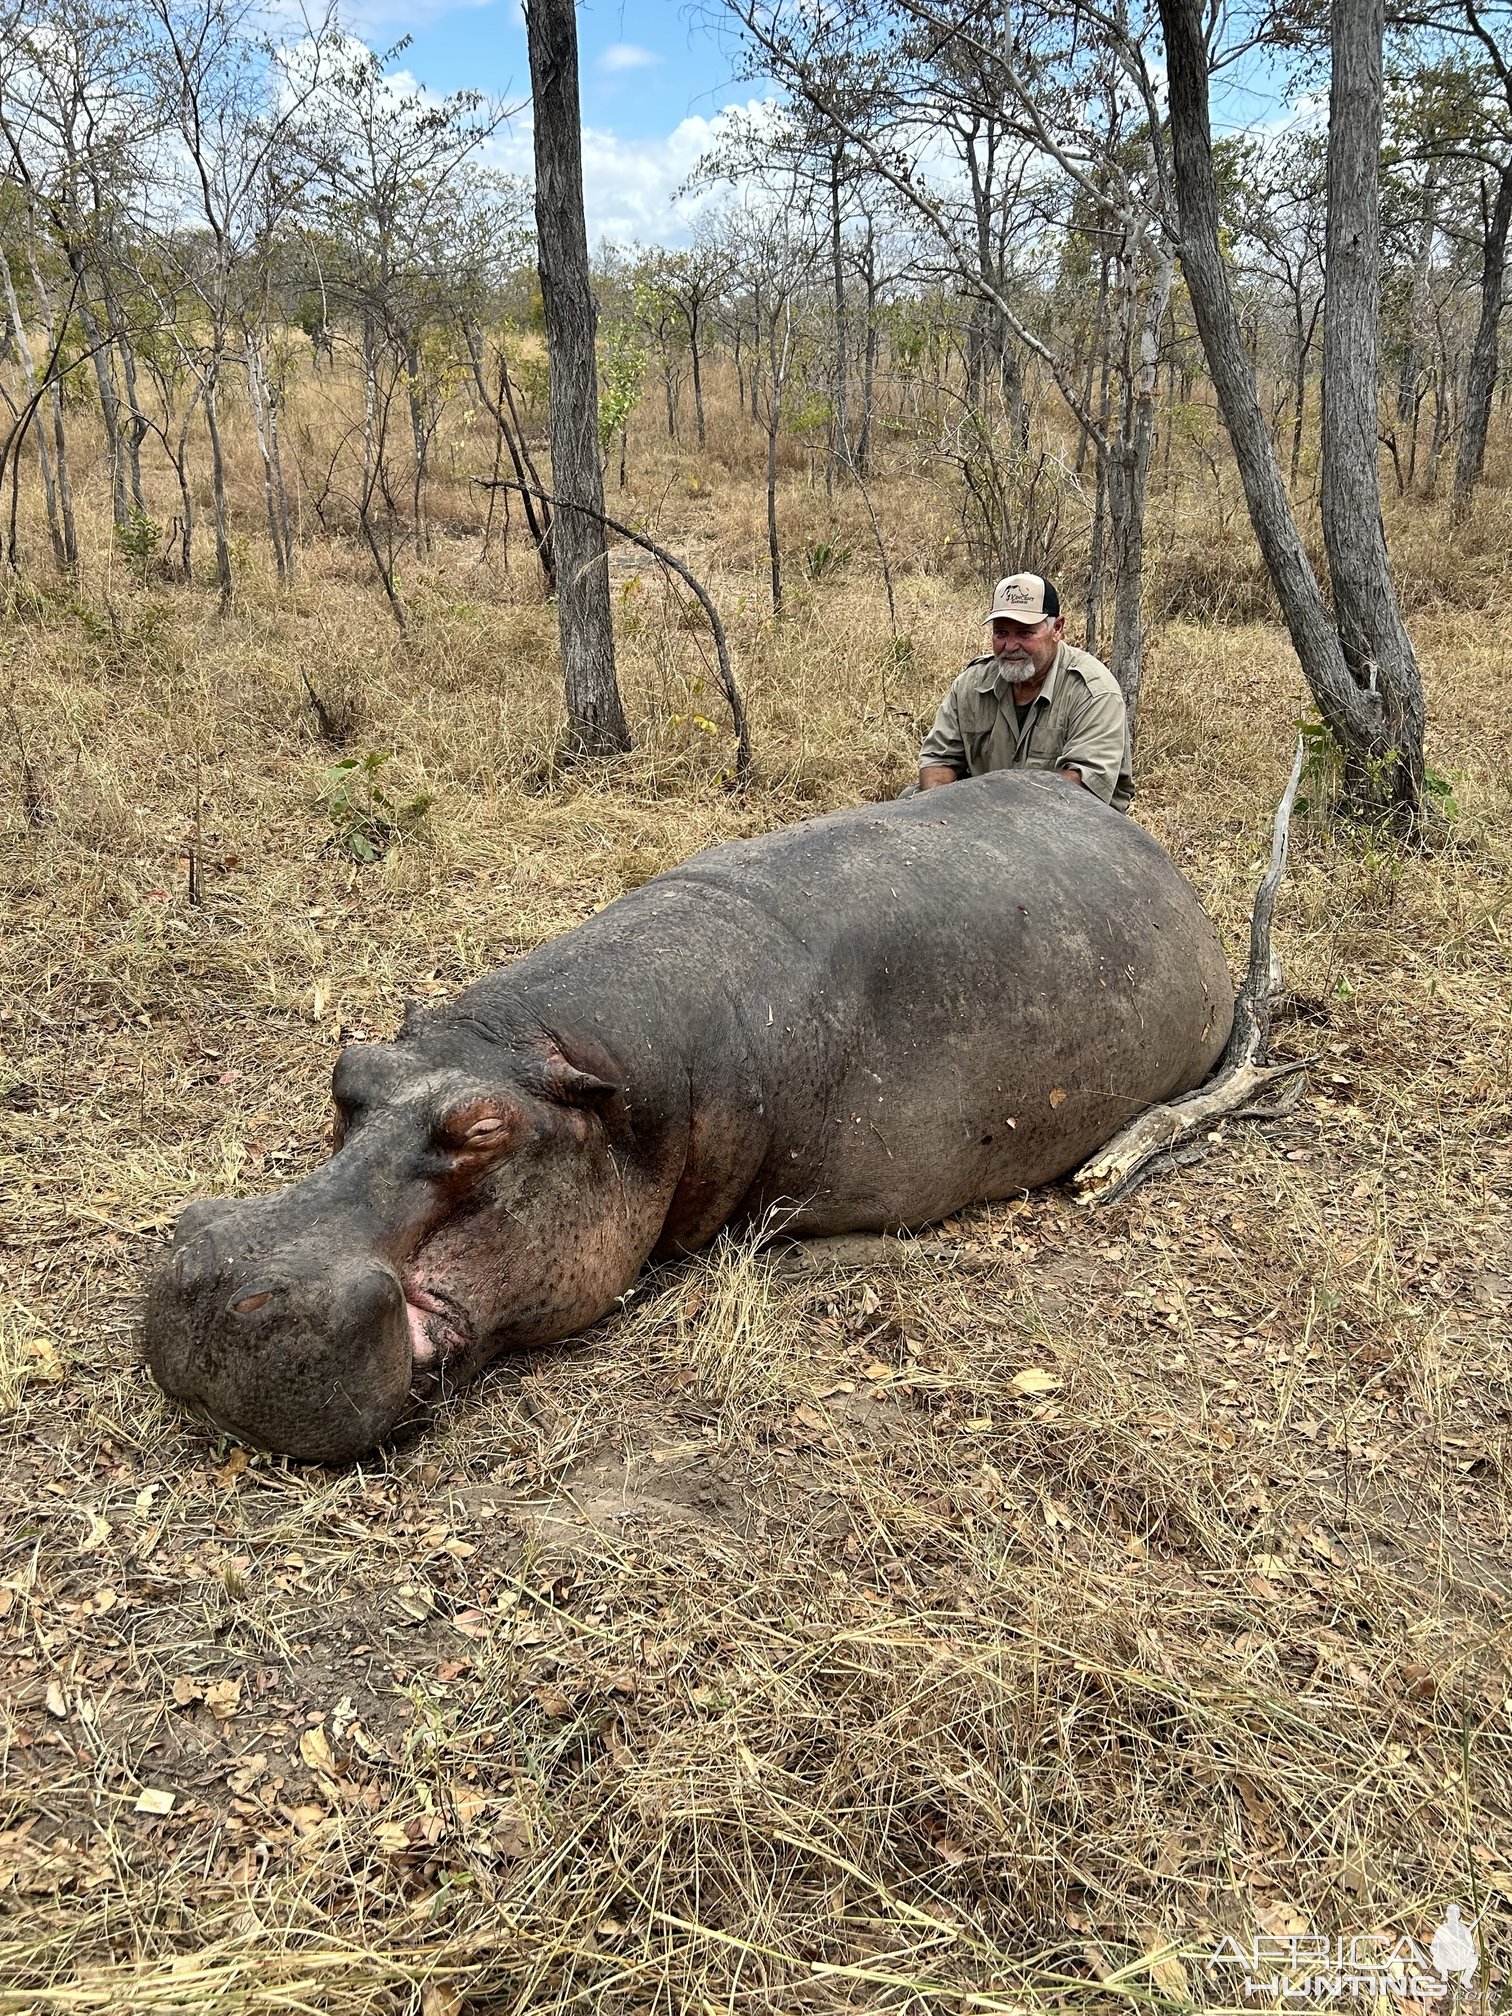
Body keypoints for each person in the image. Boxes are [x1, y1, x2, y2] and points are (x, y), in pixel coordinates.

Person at [917, 573, 1133, 811]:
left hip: (1067, 825)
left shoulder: (1093, 692)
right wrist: (943, 813)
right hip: (980, 819)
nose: (1010, 647)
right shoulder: (972, 683)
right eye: (1001, 633)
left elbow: (1079, 791)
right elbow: (938, 760)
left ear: (1057, 628)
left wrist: (996, 817)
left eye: (1024, 633)